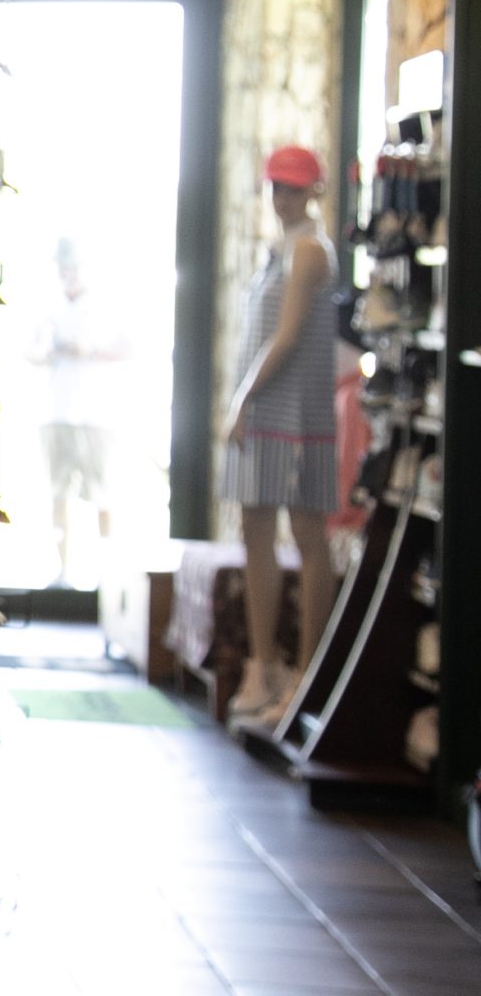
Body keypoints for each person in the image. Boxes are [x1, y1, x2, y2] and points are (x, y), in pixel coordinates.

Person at [222, 145, 340, 720]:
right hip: (268, 413)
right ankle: (263, 664)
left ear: (312, 191)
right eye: (276, 187)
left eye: (292, 188)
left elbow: (288, 335)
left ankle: (307, 672)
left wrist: (242, 395)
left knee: (308, 533)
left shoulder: (311, 250)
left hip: (298, 413)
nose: (282, 198)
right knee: (255, 527)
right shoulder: (280, 252)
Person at [28, 237, 127, 587]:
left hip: (96, 415)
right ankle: (62, 571)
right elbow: (31, 351)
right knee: (60, 494)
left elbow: (127, 348)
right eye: (63, 267)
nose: (68, 273)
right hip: (57, 411)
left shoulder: (105, 305)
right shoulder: (47, 306)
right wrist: (50, 352)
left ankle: (107, 572)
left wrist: (90, 351)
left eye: (73, 266)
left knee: (103, 494)